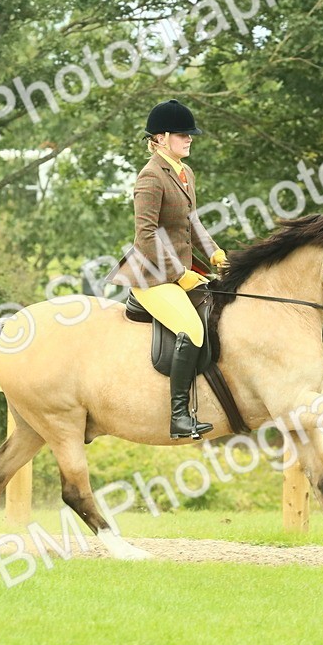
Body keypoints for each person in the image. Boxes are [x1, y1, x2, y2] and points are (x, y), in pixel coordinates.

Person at [103, 99, 228, 439]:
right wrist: (178, 274)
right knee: (192, 327)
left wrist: (215, 253)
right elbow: (146, 236)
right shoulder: (150, 178)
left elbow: (191, 222)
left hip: (179, 271)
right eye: (182, 135)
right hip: (151, 276)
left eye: (190, 135)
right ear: (160, 138)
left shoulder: (185, 173)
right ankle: (179, 417)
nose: (189, 139)